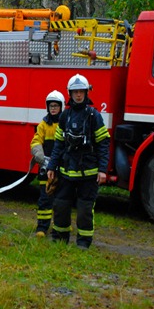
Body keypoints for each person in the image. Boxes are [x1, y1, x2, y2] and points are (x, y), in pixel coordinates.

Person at [46, 74, 110, 249]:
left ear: (86, 92)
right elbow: (58, 144)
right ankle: (60, 238)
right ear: (70, 93)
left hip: (88, 173)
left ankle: (83, 243)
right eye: (75, 92)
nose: (78, 95)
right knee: (61, 205)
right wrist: (52, 166)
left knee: (84, 210)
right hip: (66, 172)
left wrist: (102, 170)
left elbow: (103, 144)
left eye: (81, 91)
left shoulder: (93, 116)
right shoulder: (65, 115)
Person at [29, 90, 65, 237]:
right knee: (45, 199)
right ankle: (42, 228)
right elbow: (36, 141)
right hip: (46, 167)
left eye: (56, 105)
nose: (53, 108)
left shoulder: (65, 124)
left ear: (61, 107)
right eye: (51, 106)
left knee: (61, 200)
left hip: (62, 169)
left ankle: (59, 228)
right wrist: (40, 156)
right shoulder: (43, 124)